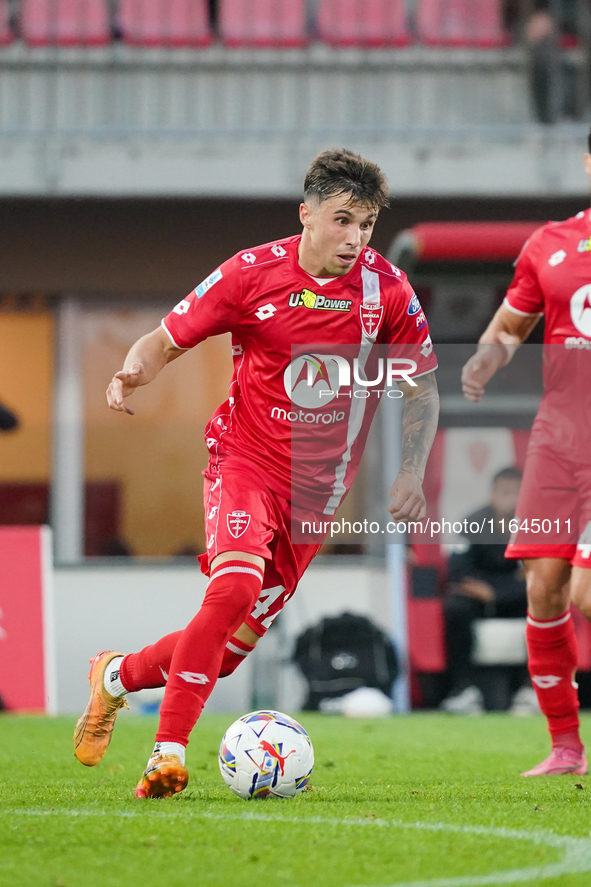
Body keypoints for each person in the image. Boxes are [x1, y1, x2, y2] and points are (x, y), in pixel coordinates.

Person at [73, 149, 439, 798]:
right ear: (306, 214)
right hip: (243, 459)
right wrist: (133, 370)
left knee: (228, 645)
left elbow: (420, 387)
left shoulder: (388, 291)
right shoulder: (249, 274)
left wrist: (411, 469)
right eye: (341, 220)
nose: (354, 238)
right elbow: (164, 338)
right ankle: (167, 752)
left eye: (367, 224)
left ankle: (115, 676)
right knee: (233, 591)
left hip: (316, 496)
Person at [462, 132, 591, 776]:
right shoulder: (549, 243)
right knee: (544, 587)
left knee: (589, 592)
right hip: (558, 441)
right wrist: (485, 360)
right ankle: (566, 747)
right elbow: (512, 324)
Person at [440, 467, 533, 715]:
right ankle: (463, 691)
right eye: (504, 492)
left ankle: (532, 690)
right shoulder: (473, 522)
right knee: (455, 606)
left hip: (517, 598)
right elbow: (458, 571)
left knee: (544, 601)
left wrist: (497, 592)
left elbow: (540, 574)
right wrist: (498, 586)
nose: (510, 499)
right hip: (478, 599)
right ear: (492, 493)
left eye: (516, 493)